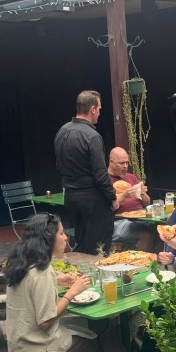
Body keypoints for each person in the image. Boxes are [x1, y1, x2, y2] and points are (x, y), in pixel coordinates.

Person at [4, 213, 140, 352]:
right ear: (48, 239)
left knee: (100, 325)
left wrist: (58, 279)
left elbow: (31, 286)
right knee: (96, 346)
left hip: (19, 345)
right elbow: (46, 321)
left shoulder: (21, 264)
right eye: (61, 233)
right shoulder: (42, 273)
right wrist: (72, 292)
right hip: (39, 350)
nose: (66, 237)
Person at [54, 90, 117, 255]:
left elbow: (59, 165)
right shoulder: (92, 136)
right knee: (99, 248)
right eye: (100, 109)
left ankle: (79, 271)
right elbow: (100, 174)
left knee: (80, 245)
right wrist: (112, 196)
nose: (100, 113)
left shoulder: (62, 131)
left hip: (70, 196)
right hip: (92, 198)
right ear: (92, 109)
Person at [109, 147, 151, 249]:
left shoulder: (131, 177)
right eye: (121, 163)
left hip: (140, 218)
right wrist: (124, 195)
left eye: (127, 163)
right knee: (148, 233)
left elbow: (147, 203)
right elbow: (106, 208)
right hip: (119, 222)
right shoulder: (105, 180)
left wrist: (142, 193)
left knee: (161, 231)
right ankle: (139, 258)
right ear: (111, 162)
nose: (125, 166)